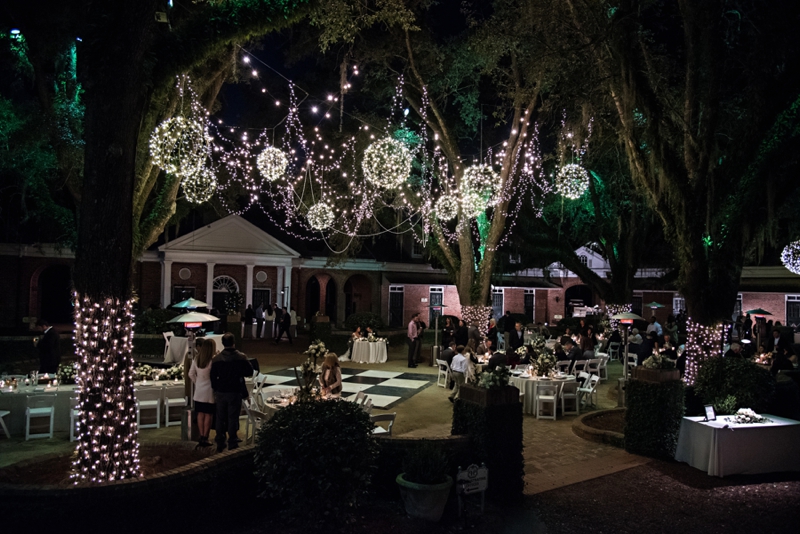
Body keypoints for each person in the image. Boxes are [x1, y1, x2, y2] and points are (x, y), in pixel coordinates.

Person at [210, 333, 254, 453]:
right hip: (235, 390)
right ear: (234, 343)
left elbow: (213, 377)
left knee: (220, 416)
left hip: (221, 391)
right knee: (233, 416)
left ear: (223, 343)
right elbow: (249, 372)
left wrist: (216, 388)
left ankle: (220, 438)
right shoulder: (241, 357)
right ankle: (232, 440)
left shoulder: (217, 359)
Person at [189, 338, 216, 447]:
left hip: (199, 391)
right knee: (208, 415)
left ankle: (201, 437)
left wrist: (197, 382)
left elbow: (190, 374)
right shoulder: (212, 361)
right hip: (209, 390)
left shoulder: (197, 359)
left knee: (200, 414)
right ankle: (206, 436)